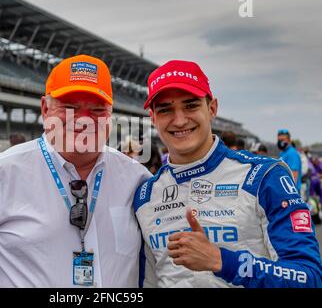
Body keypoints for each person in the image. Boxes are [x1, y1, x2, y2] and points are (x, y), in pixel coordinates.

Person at [0, 54, 151, 287]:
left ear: (111, 114)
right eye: (69, 107)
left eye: (98, 110)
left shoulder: (136, 178)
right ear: (45, 108)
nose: (82, 119)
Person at [134, 59, 322, 287]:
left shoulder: (264, 176)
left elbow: (309, 277)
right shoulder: (145, 195)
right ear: (153, 118)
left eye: (191, 105)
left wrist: (222, 261)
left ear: (212, 108)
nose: (180, 119)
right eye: (165, 110)